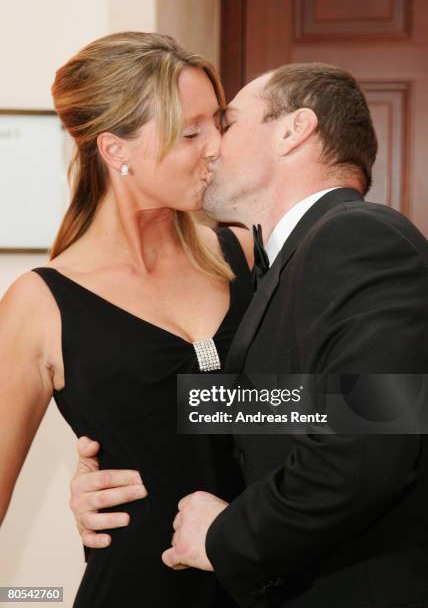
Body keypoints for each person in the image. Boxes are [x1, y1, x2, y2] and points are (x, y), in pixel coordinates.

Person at [72, 64, 428, 608]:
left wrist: (223, 536)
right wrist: (120, 464)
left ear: (294, 129)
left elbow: (365, 440)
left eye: (227, 124)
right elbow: (298, 410)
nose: (212, 147)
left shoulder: (357, 235)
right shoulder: (284, 259)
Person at [0, 31, 255, 607]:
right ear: (116, 151)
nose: (216, 146)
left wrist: (160, 443)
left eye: (219, 123)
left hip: (270, 583)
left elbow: (365, 414)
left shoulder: (248, 255)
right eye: (191, 132)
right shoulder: (40, 305)